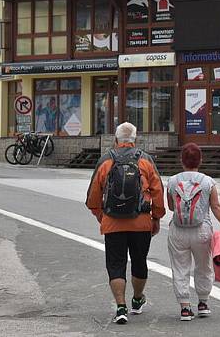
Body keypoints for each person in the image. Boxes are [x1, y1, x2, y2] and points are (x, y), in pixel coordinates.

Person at [85, 122, 165, 325]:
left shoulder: (106, 161)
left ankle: (120, 307)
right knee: (139, 262)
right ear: (135, 140)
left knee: (116, 265)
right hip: (141, 222)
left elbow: (93, 196)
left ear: (115, 139)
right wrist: (156, 217)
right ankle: (137, 300)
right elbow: (158, 191)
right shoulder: (146, 161)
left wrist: (101, 216)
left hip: (113, 223)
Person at [166, 143, 220, 321]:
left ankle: (185, 307)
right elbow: (215, 206)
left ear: (181, 161)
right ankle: (203, 303)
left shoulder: (172, 181)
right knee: (204, 266)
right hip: (202, 230)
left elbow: (171, 206)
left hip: (178, 230)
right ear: (200, 160)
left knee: (180, 268)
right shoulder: (208, 182)